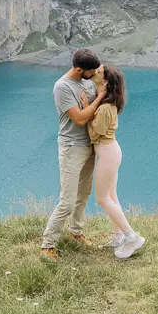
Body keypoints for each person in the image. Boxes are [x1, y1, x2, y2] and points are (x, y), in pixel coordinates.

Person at [41, 49, 104, 261]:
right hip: (71, 147)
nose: (94, 74)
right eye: (90, 71)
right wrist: (100, 97)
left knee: (84, 192)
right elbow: (79, 118)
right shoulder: (62, 87)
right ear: (78, 69)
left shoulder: (88, 81)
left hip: (90, 145)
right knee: (67, 200)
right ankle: (47, 244)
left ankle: (76, 232)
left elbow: (95, 112)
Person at [88, 65, 144, 258]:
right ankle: (118, 236)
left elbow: (95, 133)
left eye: (99, 72)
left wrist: (85, 113)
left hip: (107, 154)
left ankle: (132, 237)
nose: (94, 71)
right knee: (111, 195)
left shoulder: (104, 109)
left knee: (102, 198)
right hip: (111, 152)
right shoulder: (107, 103)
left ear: (104, 83)